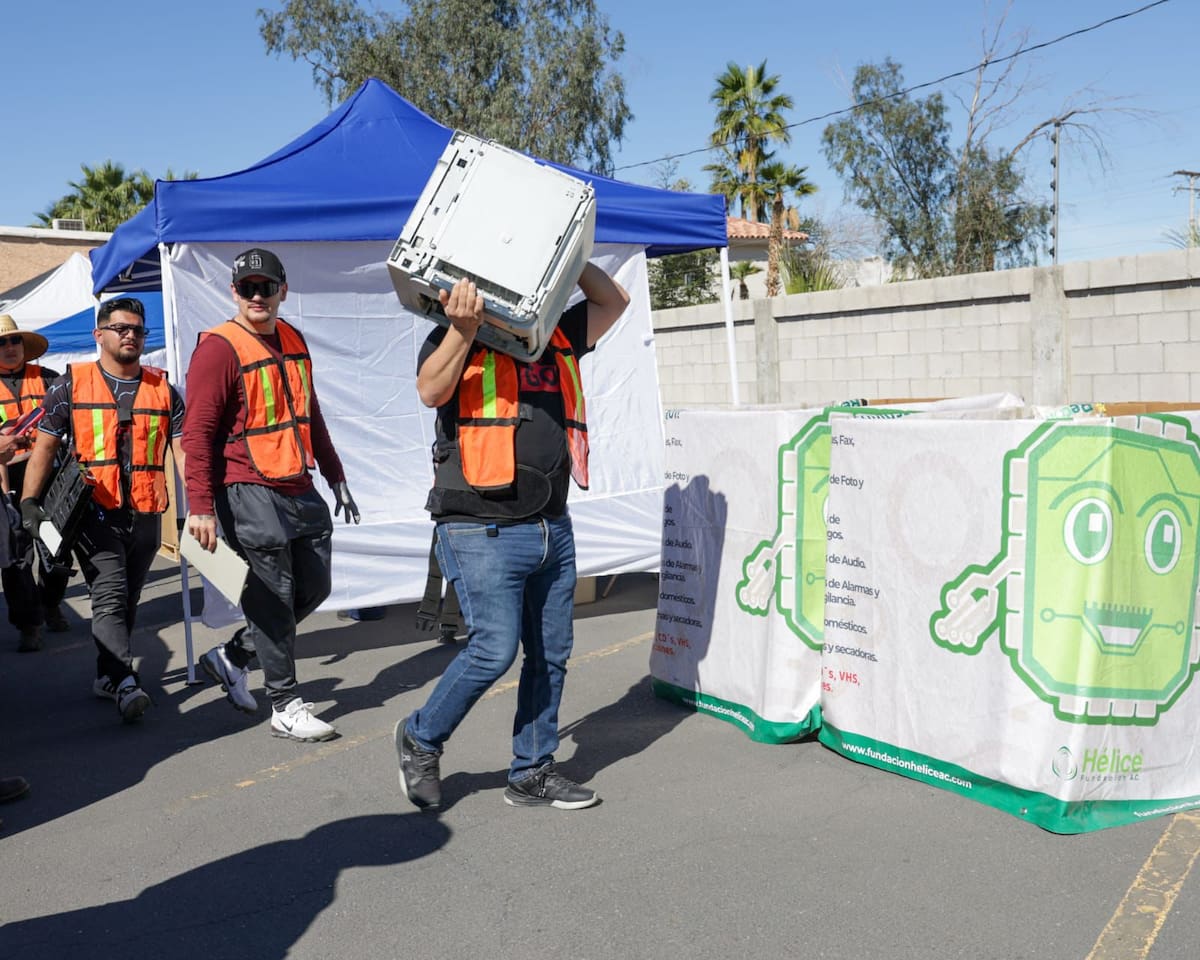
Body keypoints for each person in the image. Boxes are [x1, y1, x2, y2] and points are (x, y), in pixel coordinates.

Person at [395, 262, 629, 811]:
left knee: (551, 654)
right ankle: (421, 737)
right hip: (481, 527)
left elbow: (612, 301)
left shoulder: (555, 334)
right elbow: (431, 390)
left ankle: (532, 771)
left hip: (552, 526)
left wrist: (568, 258)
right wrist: (464, 327)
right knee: (494, 649)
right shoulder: (456, 333)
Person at [183, 248, 359, 743]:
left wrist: (335, 472)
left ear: (283, 290)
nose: (256, 296)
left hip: (297, 483)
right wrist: (200, 505)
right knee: (272, 596)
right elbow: (196, 433)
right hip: (245, 486)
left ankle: (233, 655)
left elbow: (311, 413)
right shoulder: (219, 348)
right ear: (233, 293)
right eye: (246, 288)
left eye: (266, 287)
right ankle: (285, 703)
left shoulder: (293, 339)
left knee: (314, 588)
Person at [20, 297, 185, 723]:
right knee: (109, 595)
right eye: (121, 328)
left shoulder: (165, 389)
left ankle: (106, 676)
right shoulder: (69, 385)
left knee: (127, 599)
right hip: (93, 513)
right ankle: (126, 681)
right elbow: (45, 447)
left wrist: (200, 507)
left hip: (146, 512)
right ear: (99, 334)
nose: (130, 335)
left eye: (137, 329)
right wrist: (29, 503)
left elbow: (184, 451)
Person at [0, 314, 70, 652]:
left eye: (14, 341)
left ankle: (51, 602)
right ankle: (29, 624)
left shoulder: (49, 379)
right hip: (6, 481)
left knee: (57, 550)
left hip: (48, 476)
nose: (9, 347)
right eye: (2, 343)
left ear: (24, 345)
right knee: (16, 558)